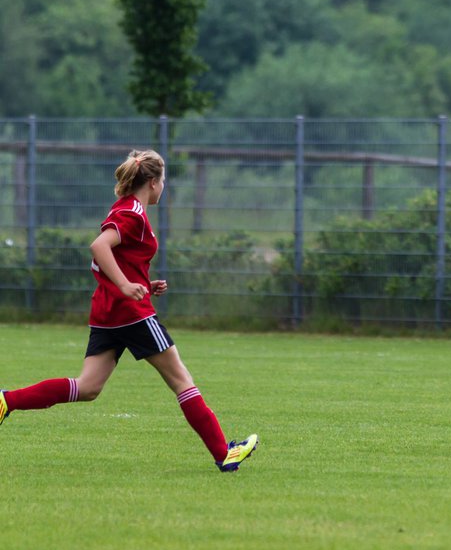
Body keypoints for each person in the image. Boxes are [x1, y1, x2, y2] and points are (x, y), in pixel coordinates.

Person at [0, 149, 258, 472]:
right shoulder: (134, 212)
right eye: (164, 181)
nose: (165, 187)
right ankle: (224, 454)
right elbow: (99, 247)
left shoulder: (126, 208)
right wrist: (125, 286)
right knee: (182, 380)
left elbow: (119, 259)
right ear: (151, 182)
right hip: (133, 314)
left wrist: (143, 284)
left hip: (109, 313)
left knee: (87, 387)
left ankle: (7, 401)